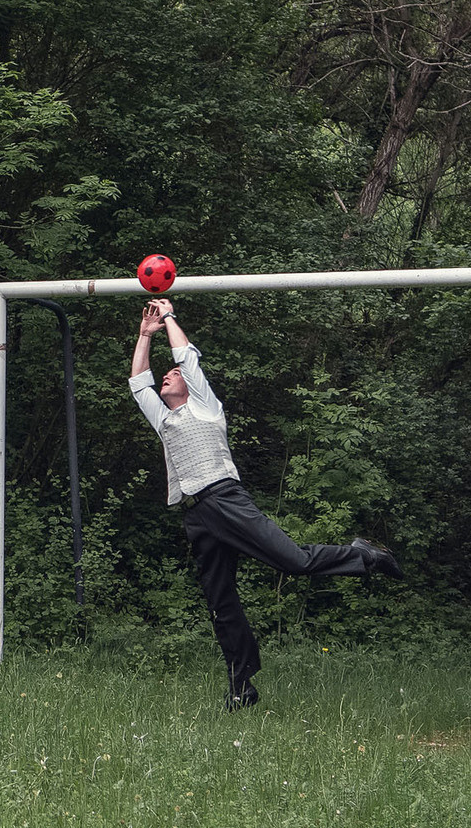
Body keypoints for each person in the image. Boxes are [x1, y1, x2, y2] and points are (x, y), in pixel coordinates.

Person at [130, 297, 401, 710]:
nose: (167, 376)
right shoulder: (163, 418)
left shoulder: (207, 408)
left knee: (293, 561)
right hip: (198, 516)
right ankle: (242, 687)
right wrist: (144, 336)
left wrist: (168, 318)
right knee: (222, 604)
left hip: (225, 500)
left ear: (190, 383)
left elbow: (185, 356)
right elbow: (137, 382)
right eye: (164, 375)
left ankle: (361, 556)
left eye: (174, 374)